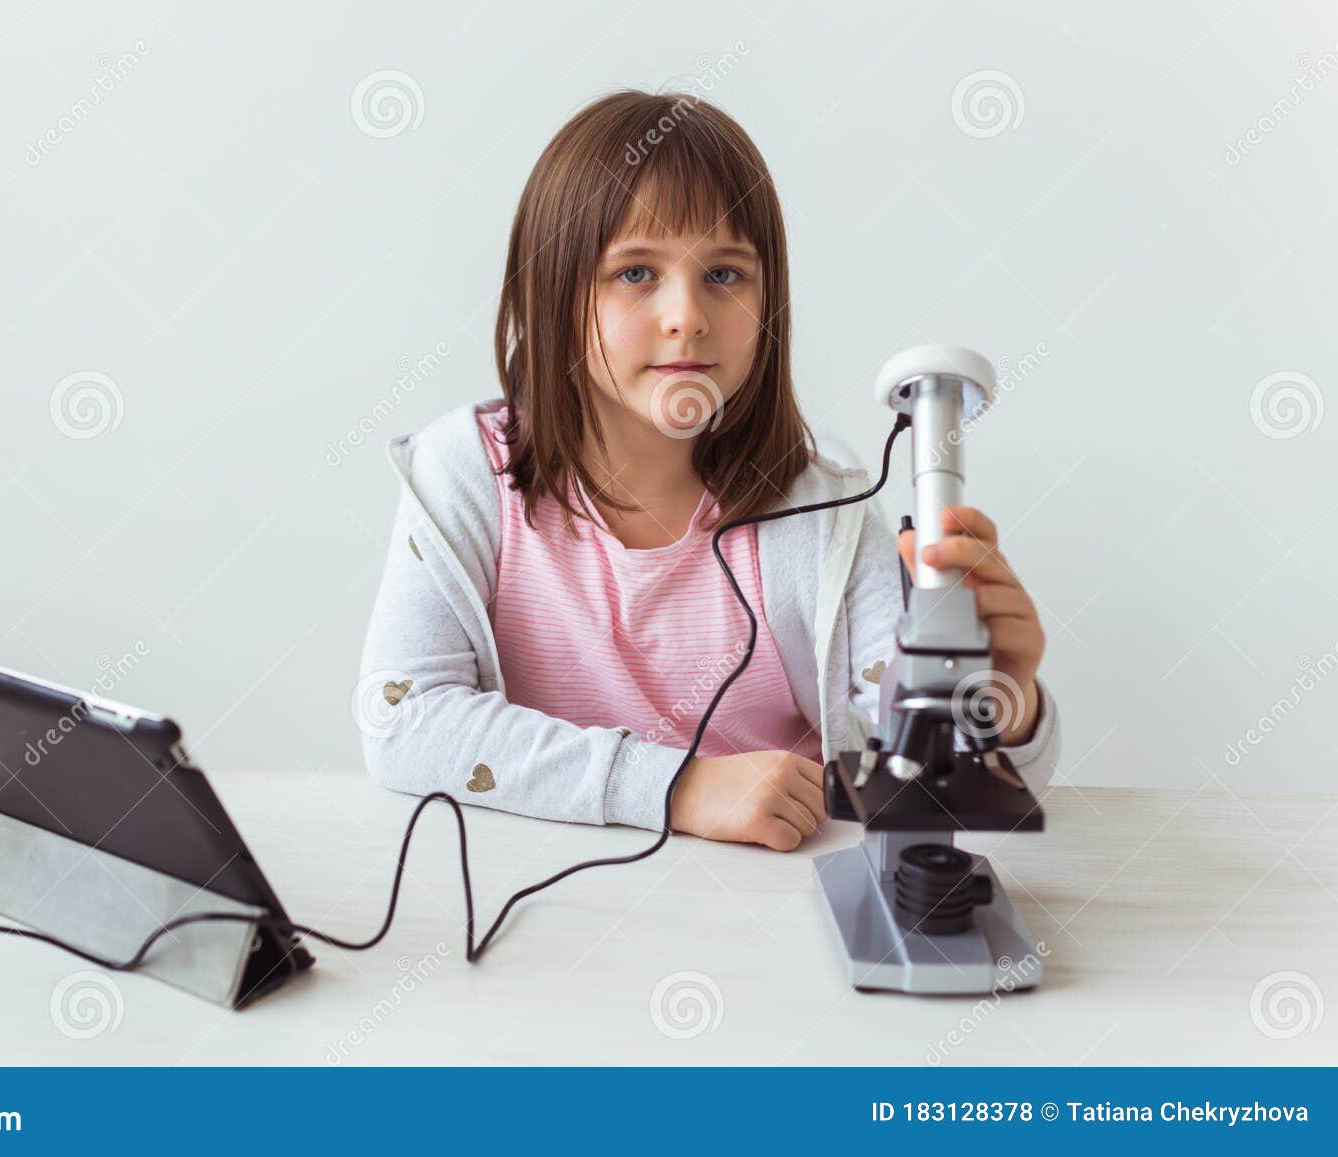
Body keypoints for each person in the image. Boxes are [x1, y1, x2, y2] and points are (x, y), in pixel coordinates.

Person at [356, 89, 1060, 852]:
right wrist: (677, 785)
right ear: (553, 294)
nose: (686, 314)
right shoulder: (466, 472)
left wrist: (1001, 696)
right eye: (634, 273)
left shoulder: (824, 506)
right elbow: (404, 719)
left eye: (725, 274)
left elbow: (911, 770)